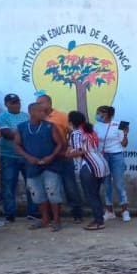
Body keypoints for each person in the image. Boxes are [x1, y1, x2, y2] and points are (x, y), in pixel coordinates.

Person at [12, 103, 66, 231]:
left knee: (53, 193)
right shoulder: (22, 127)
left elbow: (60, 144)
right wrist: (29, 157)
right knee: (38, 194)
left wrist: (51, 156)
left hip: (51, 166)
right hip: (32, 166)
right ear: (32, 112)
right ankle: (45, 220)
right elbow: (17, 146)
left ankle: (57, 221)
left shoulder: (50, 126)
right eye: (41, 111)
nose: (45, 113)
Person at [36, 93, 83, 222]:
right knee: (49, 187)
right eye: (37, 103)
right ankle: (51, 216)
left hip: (63, 158)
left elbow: (74, 132)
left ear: (49, 103)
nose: (39, 105)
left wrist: (70, 149)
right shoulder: (36, 118)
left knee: (70, 187)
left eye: (41, 102)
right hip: (46, 159)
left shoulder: (62, 116)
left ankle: (77, 214)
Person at [0, 94, 37, 223]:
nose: (16, 104)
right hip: (9, 156)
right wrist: (24, 133)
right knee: (8, 186)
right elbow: (7, 134)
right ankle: (10, 214)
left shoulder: (25, 116)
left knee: (31, 185)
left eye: (18, 101)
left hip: (26, 156)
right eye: (13, 102)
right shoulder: (1, 117)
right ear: (6, 104)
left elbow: (32, 133)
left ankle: (33, 212)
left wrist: (19, 133)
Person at [67, 110, 109, 231]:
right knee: (94, 194)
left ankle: (99, 221)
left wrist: (67, 153)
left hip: (89, 166)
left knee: (91, 195)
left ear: (71, 122)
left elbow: (79, 151)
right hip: (101, 164)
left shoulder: (76, 133)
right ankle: (98, 219)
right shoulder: (90, 131)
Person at [95, 105, 131, 221]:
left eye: (100, 113)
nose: (98, 115)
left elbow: (124, 144)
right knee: (106, 185)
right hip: (102, 157)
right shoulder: (96, 126)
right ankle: (110, 211)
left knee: (119, 184)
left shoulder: (119, 125)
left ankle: (125, 211)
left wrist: (125, 134)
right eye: (98, 113)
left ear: (108, 115)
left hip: (116, 156)